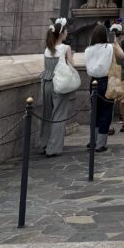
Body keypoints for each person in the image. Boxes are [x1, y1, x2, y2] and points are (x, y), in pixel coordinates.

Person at [84, 22, 124, 152]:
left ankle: (93, 140)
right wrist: (115, 42)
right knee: (105, 112)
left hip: (93, 82)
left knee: (95, 112)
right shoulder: (109, 47)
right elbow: (122, 56)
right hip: (106, 81)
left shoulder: (88, 49)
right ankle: (101, 143)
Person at [39, 18, 74, 158]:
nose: (67, 33)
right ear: (62, 33)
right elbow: (72, 66)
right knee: (58, 115)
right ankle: (53, 148)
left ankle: (44, 144)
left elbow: (46, 68)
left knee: (47, 115)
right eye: (66, 31)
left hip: (46, 83)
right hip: (59, 84)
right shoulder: (66, 48)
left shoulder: (47, 49)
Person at [109, 23, 124, 132]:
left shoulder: (107, 44)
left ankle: (109, 126)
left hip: (111, 73)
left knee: (110, 100)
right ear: (121, 33)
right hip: (122, 73)